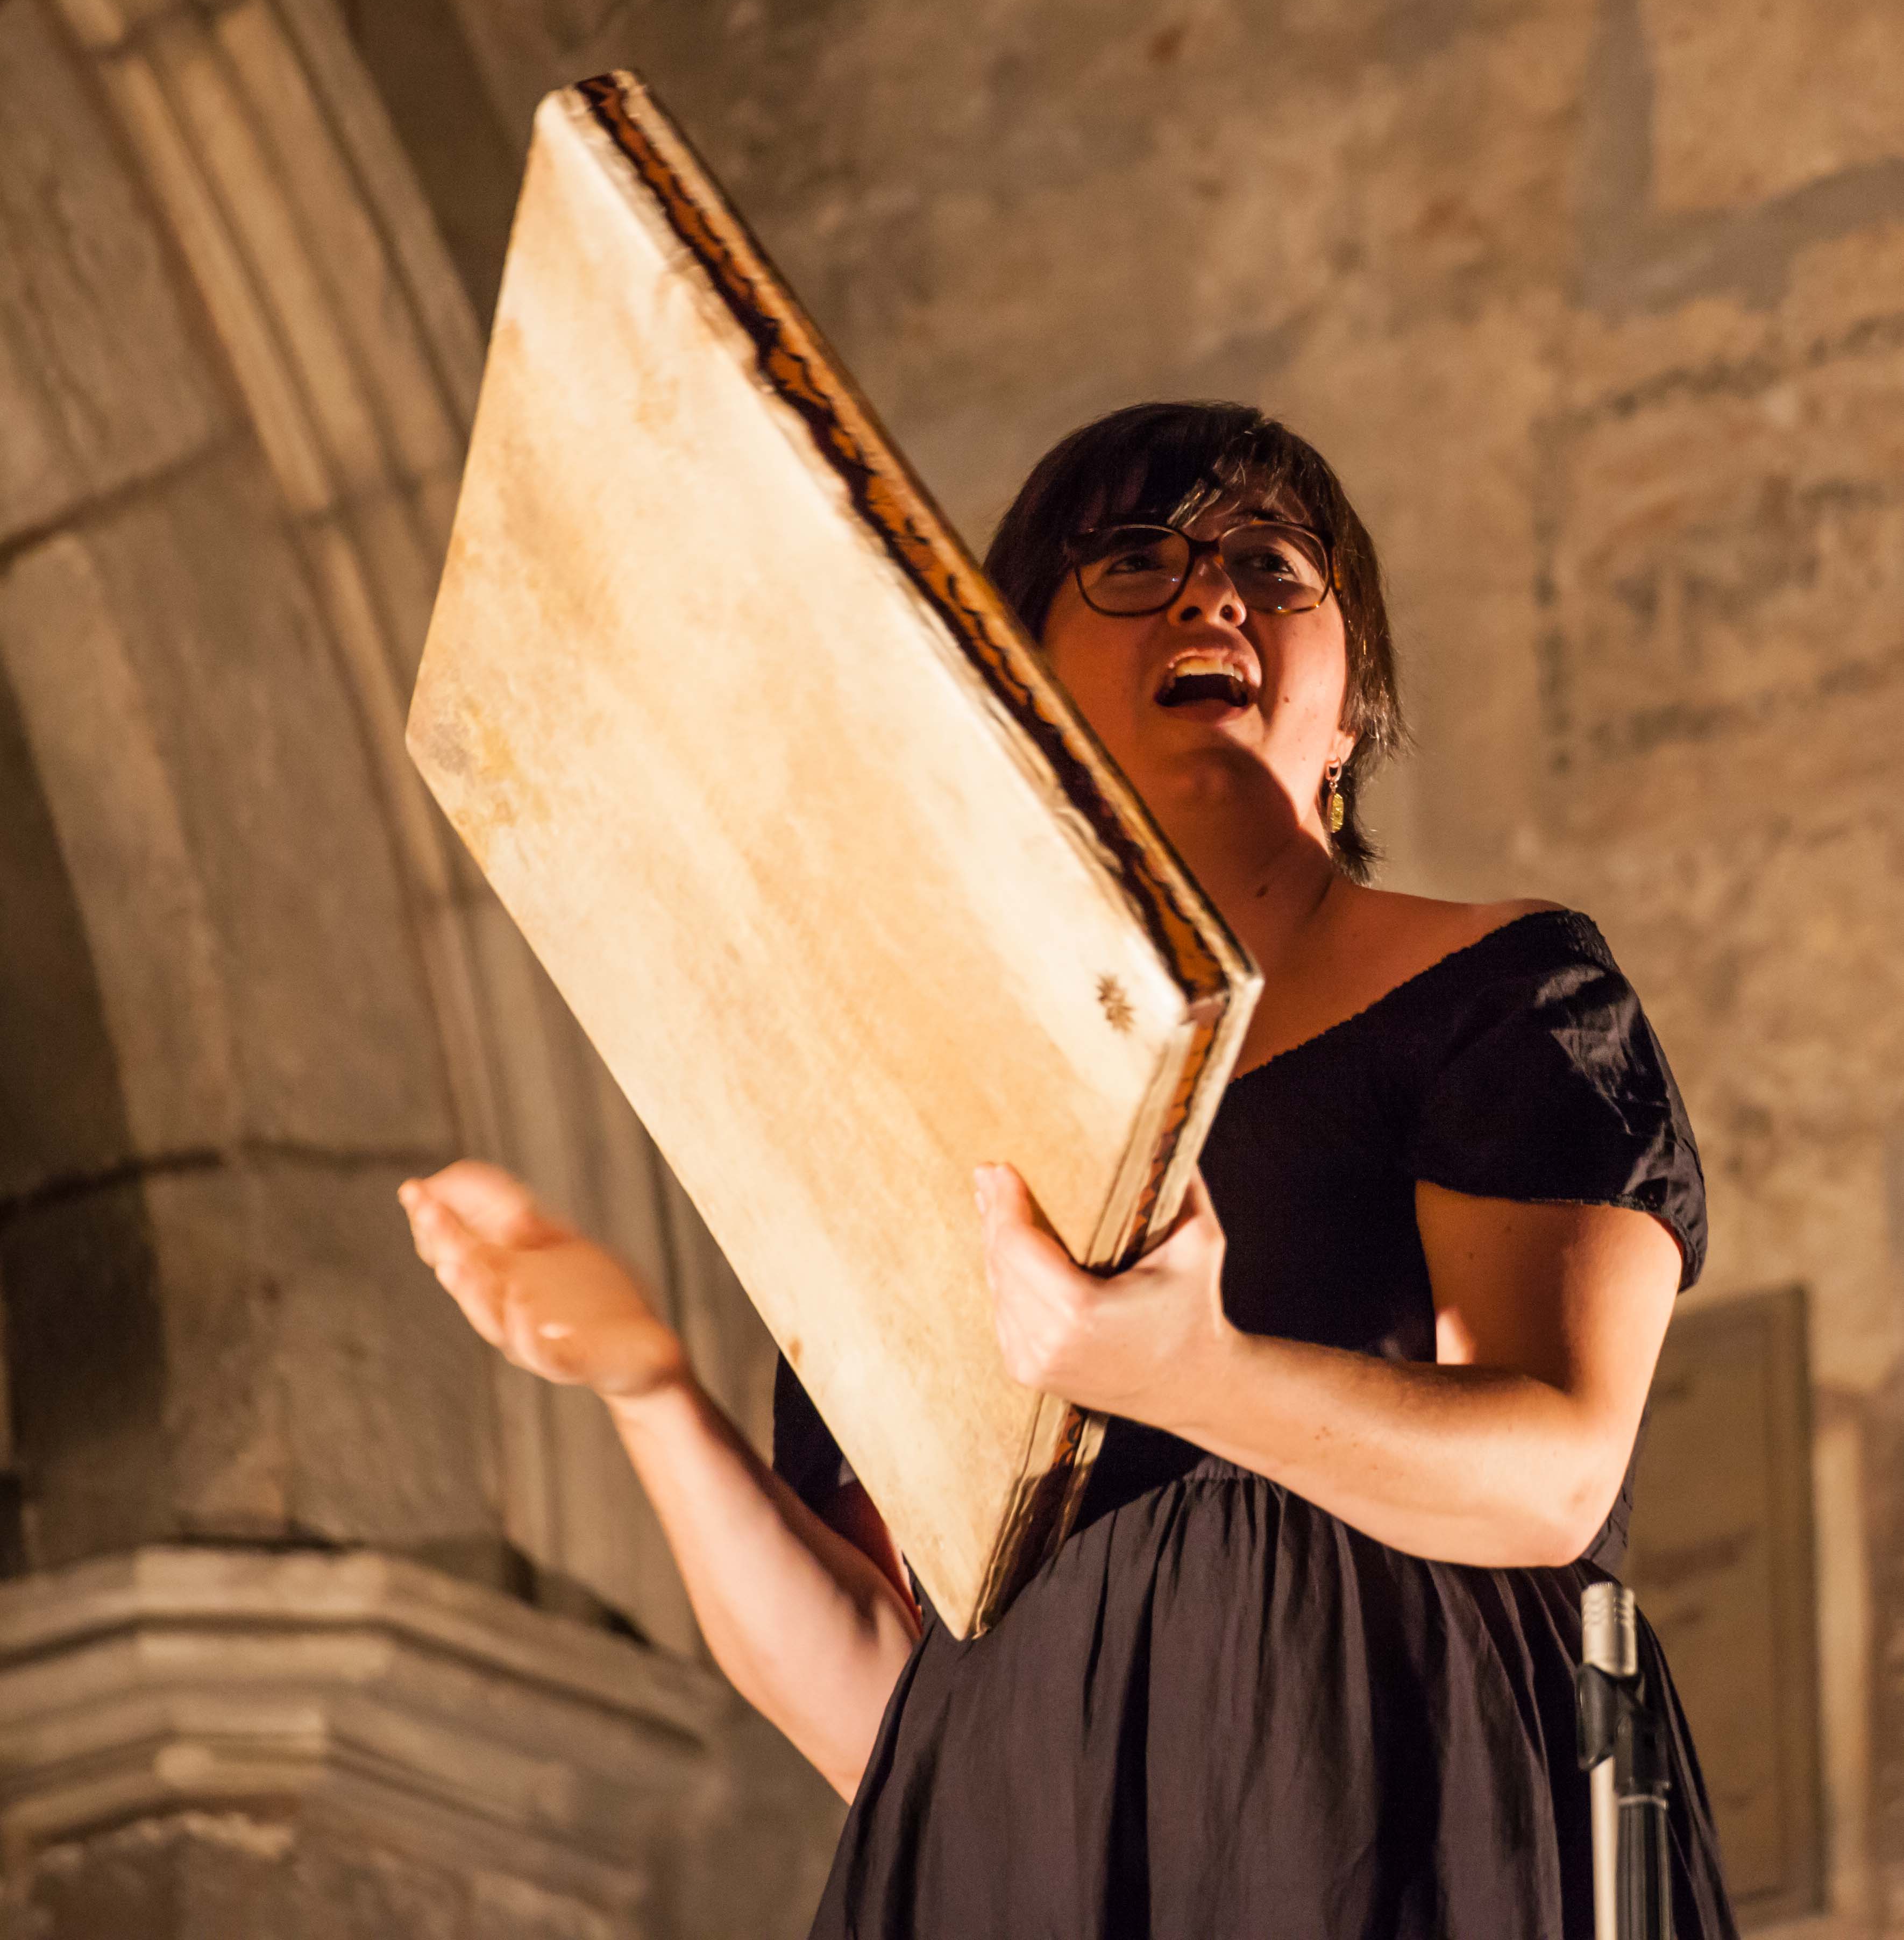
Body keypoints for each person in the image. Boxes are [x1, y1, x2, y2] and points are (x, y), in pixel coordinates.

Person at [399, 402, 1737, 1938]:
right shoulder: (919, 1113)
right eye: (1132, 561)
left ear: (1350, 709)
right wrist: (646, 1386)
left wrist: (1195, 1377)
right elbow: (878, 1711)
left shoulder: (1503, 991)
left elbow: (1552, 1477)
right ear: (1019, 691)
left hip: (1391, 1814)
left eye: (1270, 562)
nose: (1209, 593)